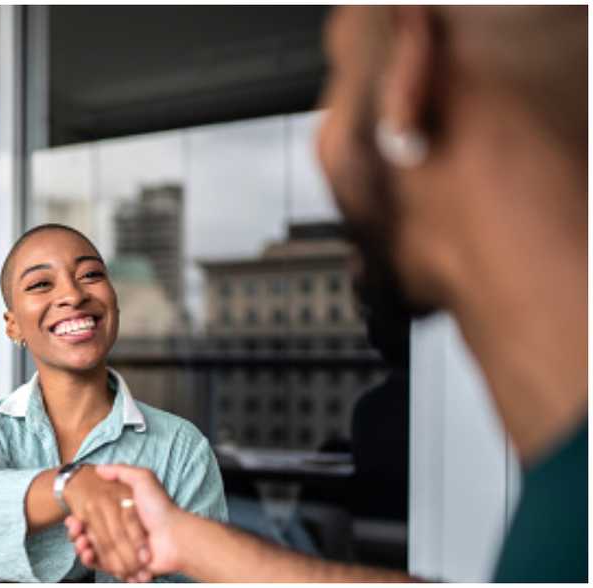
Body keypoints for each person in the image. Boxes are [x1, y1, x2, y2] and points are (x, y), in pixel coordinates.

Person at [66, 5, 587, 582]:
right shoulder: (564, 512)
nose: (321, 136)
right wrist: (188, 543)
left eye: (337, 72)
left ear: (408, 70)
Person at [0, 223, 228, 582]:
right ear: (12, 326)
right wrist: (71, 486)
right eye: (40, 284)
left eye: (90, 275)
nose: (72, 293)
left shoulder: (181, 447)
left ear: (113, 300)